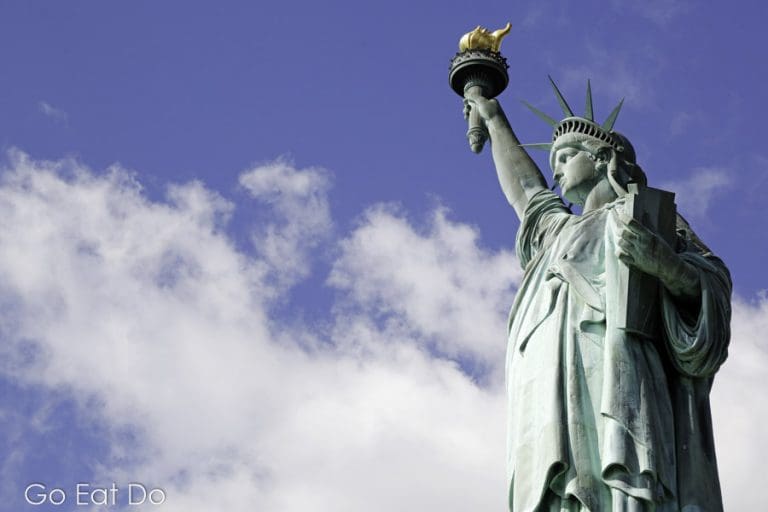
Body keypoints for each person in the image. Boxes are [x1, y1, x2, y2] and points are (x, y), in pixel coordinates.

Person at [463, 83, 732, 511]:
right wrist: (493, 117)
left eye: (567, 156)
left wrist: (665, 264)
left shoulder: (644, 216)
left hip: (619, 372)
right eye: (555, 162)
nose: (557, 170)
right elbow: (528, 192)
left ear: (603, 157)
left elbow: (712, 284)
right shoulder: (558, 231)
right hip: (549, 389)